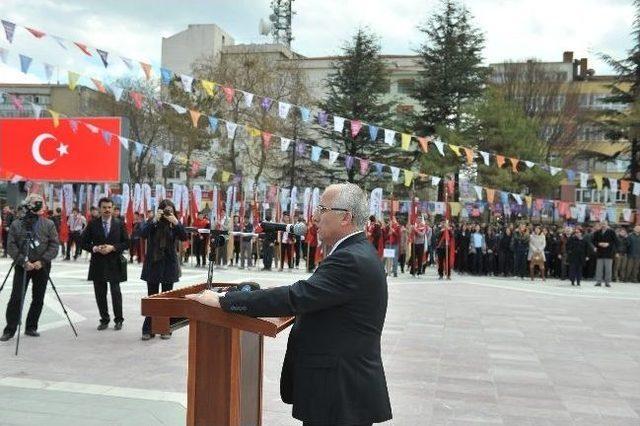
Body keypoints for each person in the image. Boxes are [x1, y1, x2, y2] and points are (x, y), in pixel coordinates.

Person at [186, 183, 392, 426]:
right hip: (340, 387)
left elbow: (297, 296)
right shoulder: (355, 252)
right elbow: (313, 295)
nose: (315, 216)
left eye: (322, 209)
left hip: (339, 390)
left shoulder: (350, 258)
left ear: (346, 217)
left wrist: (224, 301)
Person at [1, 195, 59, 341]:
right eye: (36, 203)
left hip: (42, 266)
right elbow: (11, 245)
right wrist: (23, 261)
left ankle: (31, 326)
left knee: (38, 297)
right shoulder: (17, 224)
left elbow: (54, 245)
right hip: (22, 266)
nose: (40, 206)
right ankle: (10, 329)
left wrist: (43, 261)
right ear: (28, 205)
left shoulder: (49, 224)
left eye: (41, 203)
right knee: (16, 297)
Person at [140, 199, 188, 340]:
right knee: (152, 298)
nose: (168, 213)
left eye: (170, 211)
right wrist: (154, 219)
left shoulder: (174, 224)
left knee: (167, 298)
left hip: (168, 264)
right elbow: (142, 234)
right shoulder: (153, 223)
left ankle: (165, 328)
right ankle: (148, 328)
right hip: (153, 264)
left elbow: (184, 236)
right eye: (165, 211)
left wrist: (176, 222)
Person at [81, 197, 130, 330]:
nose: (107, 210)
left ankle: (119, 319)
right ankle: (104, 319)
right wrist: (95, 248)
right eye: (104, 207)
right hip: (98, 263)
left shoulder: (119, 223)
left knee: (116, 292)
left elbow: (126, 242)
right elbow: (83, 242)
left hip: (114, 262)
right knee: (100, 293)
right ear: (99, 209)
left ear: (113, 208)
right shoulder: (92, 224)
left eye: (109, 207)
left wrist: (113, 247)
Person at [592, 220, 617, 287]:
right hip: (600, 253)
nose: (603, 225)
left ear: (607, 224)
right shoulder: (597, 232)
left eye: (605, 224)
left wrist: (608, 244)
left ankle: (607, 282)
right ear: (601, 225)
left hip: (609, 253)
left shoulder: (612, 232)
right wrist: (599, 243)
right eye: (602, 224)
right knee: (599, 269)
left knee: (608, 269)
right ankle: (598, 281)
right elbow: (593, 241)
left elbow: (615, 242)